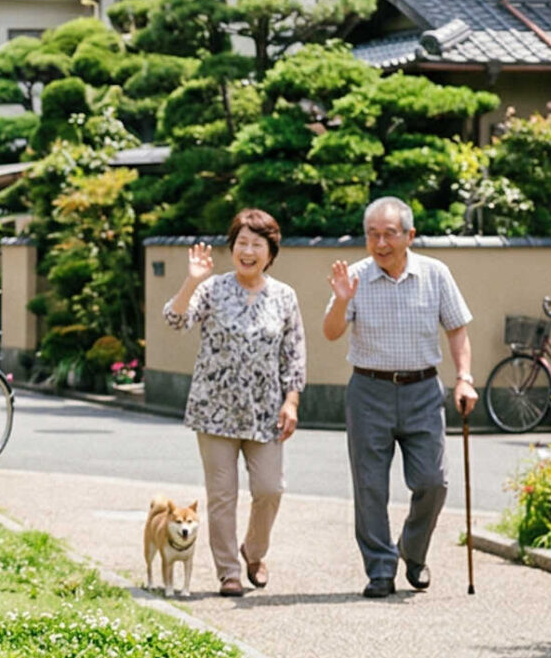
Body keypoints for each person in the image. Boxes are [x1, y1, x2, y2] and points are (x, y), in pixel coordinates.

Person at [322, 196, 478, 598]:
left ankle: (413, 548)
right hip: (368, 390)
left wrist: (464, 378)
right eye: (372, 234)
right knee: (370, 485)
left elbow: (457, 329)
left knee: (433, 481)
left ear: (409, 235)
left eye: (389, 233)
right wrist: (341, 301)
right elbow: (331, 332)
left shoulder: (435, 273)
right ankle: (379, 569)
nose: (380, 243)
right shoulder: (354, 277)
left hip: (423, 389)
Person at [162, 208, 305, 596]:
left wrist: (291, 402)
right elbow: (175, 321)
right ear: (231, 247)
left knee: (270, 488)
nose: (248, 251)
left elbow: (293, 355)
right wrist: (192, 283)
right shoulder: (213, 289)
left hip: (266, 412)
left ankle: (254, 551)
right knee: (222, 496)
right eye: (241, 242)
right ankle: (229, 572)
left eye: (256, 244)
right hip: (215, 410)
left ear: (270, 252)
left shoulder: (284, 296)